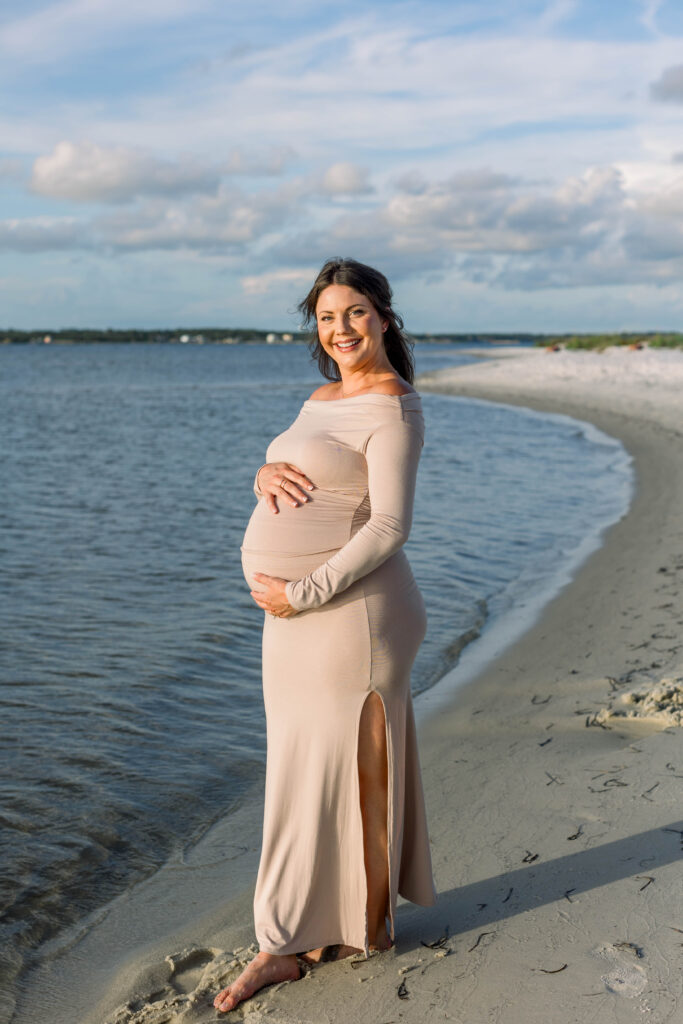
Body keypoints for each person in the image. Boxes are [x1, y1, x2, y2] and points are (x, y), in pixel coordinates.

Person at [214, 257, 436, 1014]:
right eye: (325, 316)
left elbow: (389, 524)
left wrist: (301, 592)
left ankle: (282, 944)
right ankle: (335, 923)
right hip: (298, 621)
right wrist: (261, 473)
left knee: (336, 770)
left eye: (354, 313)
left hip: (353, 617)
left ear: (383, 317)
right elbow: (302, 466)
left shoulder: (392, 406)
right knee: (305, 770)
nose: (340, 328)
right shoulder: (322, 397)